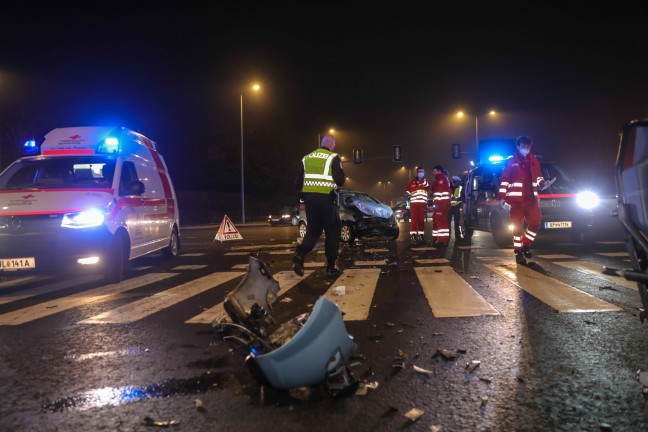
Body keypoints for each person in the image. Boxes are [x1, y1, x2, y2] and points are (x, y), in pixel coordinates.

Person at [293, 134, 345, 278]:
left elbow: (298, 182)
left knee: (313, 232)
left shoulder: (306, 158)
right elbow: (339, 180)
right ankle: (330, 267)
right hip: (327, 200)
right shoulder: (333, 157)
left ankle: (300, 254)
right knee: (333, 231)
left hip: (310, 201)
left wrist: (302, 197)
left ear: (321, 143)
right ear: (332, 146)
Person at [498, 135, 556, 264]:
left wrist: (543, 184)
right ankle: (518, 252)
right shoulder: (512, 161)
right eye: (523, 146)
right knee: (517, 228)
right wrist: (502, 197)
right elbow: (505, 180)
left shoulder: (534, 160)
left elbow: (538, 177)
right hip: (516, 201)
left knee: (535, 223)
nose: (526, 148)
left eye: (528, 146)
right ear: (518, 146)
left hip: (531, 200)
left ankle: (526, 245)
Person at [405, 166, 430, 245]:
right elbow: (407, 192)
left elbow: (427, 185)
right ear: (417, 172)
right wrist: (406, 194)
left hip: (422, 205)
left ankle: (421, 236)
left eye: (422, 171)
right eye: (419, 171)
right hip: (414, 205)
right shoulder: (411, 183)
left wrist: (422, 180)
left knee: (421, 221)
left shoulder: (425, 181)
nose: (421, 173)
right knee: (414, 220)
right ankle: (413, 236)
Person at [431, 165, 451, 246]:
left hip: (440, 205)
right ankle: (437, 240)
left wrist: (436, 205)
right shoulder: (441, 179)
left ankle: (442, 241)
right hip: (440, 205)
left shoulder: (441, 179)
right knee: (437, 222)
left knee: (441, 222)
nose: (433, 173)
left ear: (439, 171)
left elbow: (439, 194)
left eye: (435, 171)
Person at [448, 175, 464, 241]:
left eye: (457, 182)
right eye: (455, 182)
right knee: (447, 222)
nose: (456, 183)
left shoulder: (459, 188)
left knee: (457, 223)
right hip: (449, 207)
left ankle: (458, 237)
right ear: (453, 181)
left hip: (456, 207)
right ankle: (448, 236)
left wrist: (457, 199)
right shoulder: (448, 187)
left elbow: (462, 197)